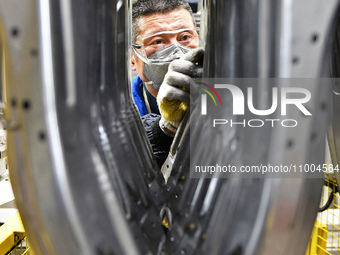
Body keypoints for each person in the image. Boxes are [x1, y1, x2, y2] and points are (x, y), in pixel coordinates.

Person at [131, 0, 204, 167]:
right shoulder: (122, 106)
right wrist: (165, 129)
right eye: (158, 41)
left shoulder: (223, 92)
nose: (177, 51)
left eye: (185, 37)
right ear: (132, 58)